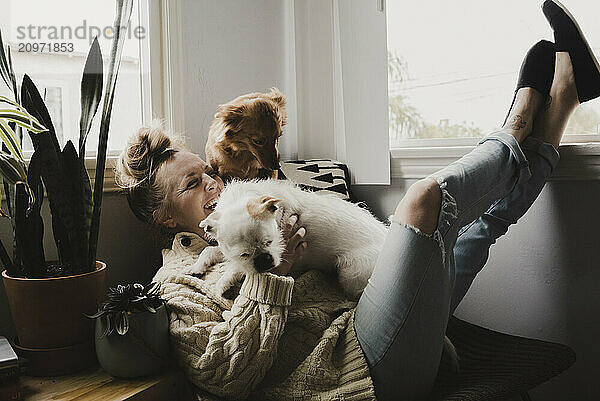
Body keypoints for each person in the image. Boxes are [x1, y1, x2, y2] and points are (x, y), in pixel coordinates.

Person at [114, 2, 598, 400]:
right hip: (360, 364)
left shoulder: (246, 202)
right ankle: (515, 125)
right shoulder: (174, 284)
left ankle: (563, 98)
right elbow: (222, 373)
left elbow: (334, 253)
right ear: (162, 216)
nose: (213, 185)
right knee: (423, 202)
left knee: (479, 228)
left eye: (205, 171)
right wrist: (271, 278)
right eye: (192, 186)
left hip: (377, 306)